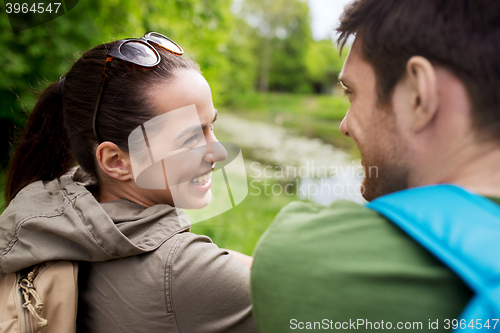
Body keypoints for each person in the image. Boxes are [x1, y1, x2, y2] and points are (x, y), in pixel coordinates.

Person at [250, 0, 500, 331]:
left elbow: (279, 264)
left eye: (351, 92)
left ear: (418, 95)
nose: (344, 125)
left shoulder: (305, 260)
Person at [0, 32, 256, 332]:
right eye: (191, 137)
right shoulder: (187, 273)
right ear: (116, 161)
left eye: (211, 126)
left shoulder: (48, 223)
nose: (219, 152)